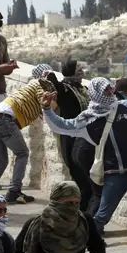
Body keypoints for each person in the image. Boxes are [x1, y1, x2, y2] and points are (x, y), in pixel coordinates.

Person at [40, 77, 127, 236]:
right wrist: (47, 109)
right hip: (114, 176)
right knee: (101, 216)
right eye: (106, 90)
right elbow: (63, 126)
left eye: (110, 88)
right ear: (95, 94)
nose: (111, 92)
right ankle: (82, 241)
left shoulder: (126, 107)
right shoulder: (88, 119)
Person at [0, 64, 55, 204]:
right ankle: (14, 191)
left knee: (0, 160)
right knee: (22, 153)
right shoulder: (38, 84)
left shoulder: (28, 87)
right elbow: (45, 102)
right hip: (5, 120)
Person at [47, 60, 91, 212]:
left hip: (87, 138)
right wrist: (50, 74)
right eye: (78, 69)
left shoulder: (84, 89)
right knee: (81, 179)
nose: (81, 72)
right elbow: (52, 82)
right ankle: (81, 214)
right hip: (70, 139)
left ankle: (83, 214)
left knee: (88, 180)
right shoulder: (65, 90)